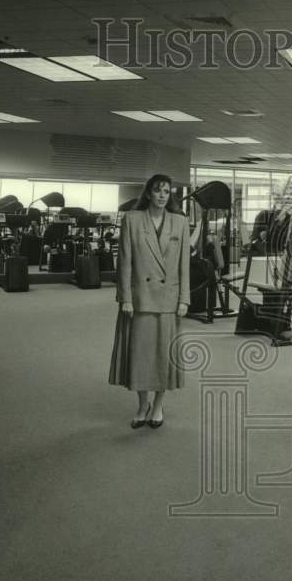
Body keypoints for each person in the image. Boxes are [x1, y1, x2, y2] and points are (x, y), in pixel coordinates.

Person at [108, 174, 190, 430]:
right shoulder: (132, 220)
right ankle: (142, 404)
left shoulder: (180, 222)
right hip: (140, 299)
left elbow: (183, 266)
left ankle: (158, 405)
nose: (163, 195)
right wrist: (126, 298)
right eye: (158, 190)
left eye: (167, 191)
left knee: (163, 356)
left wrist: (185, 299)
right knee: (140, 356)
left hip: (168, 298)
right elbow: (124, 262)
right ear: (148, 194)